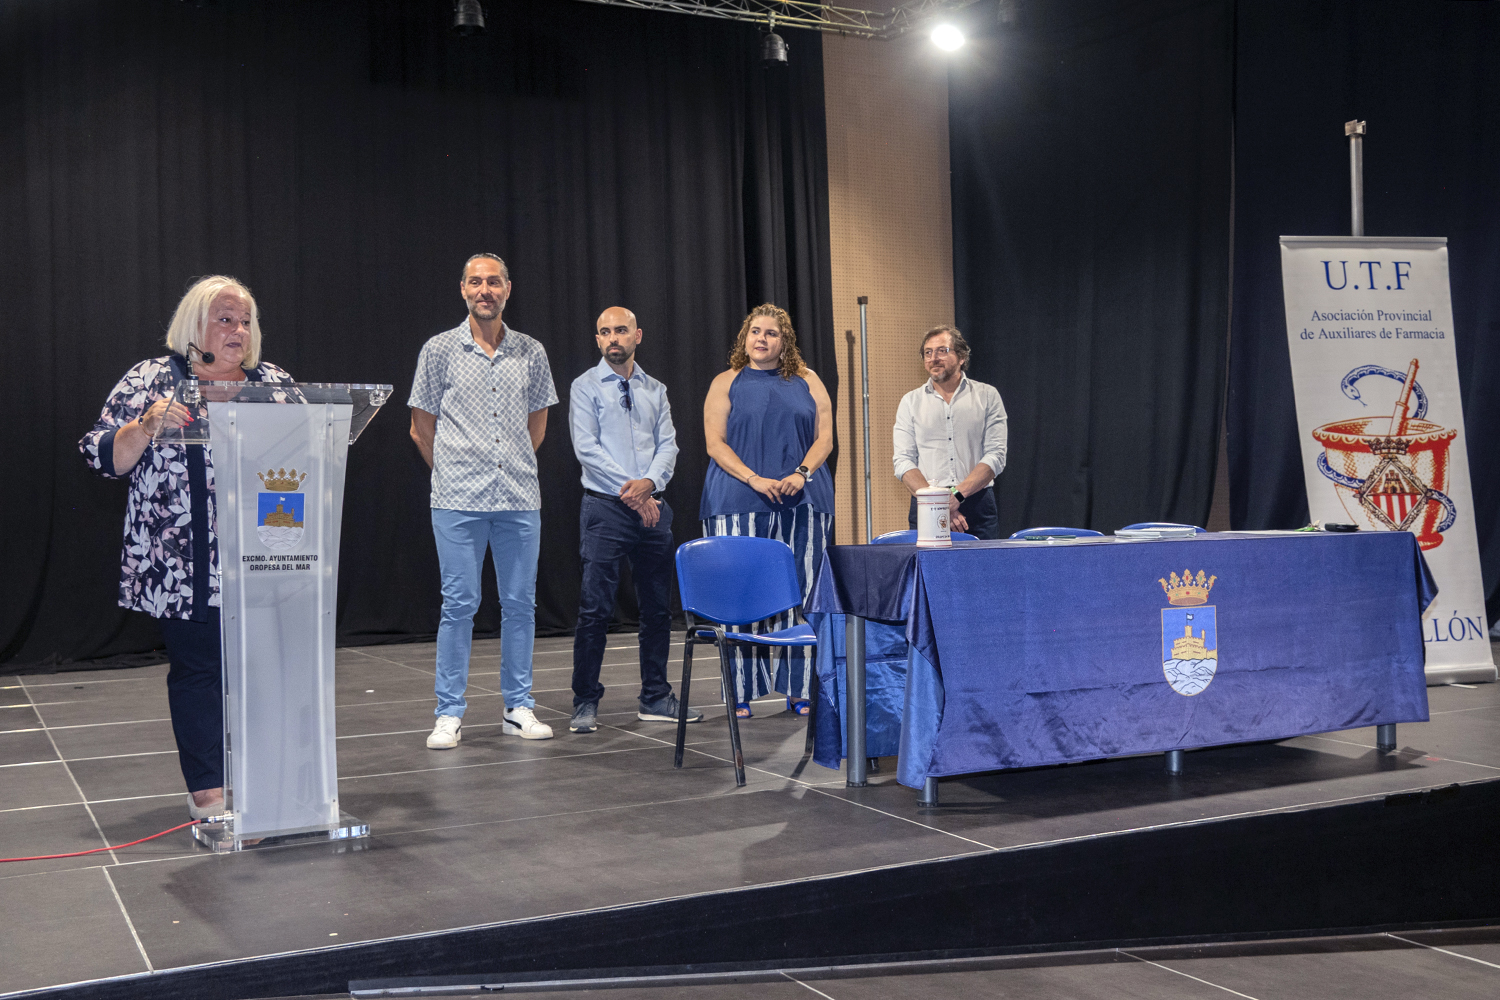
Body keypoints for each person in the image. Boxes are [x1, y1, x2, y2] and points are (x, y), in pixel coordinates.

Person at [80, 275, 295, 820]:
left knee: (265, 674)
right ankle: (209, 793)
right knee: (199, 672)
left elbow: (311, 453)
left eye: (245, 321)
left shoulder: (274, 383)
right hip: (183, 563)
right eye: (225, 319)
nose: (238, 331)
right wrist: (146, 424)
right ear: (194, 325)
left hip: (265, 556)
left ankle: (267, 781)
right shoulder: (152, 379)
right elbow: (104, 455)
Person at [409, 253, 559, 749]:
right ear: (463, 289)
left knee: (520, 604)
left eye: (493, 282)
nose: (485, 290)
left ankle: (518, 708)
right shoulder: (438, 350)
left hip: (518, 495)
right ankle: (448, 713)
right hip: (456, 499)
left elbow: (537, 424)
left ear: (508, 289)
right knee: (459, 604)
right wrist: (454, 471)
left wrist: (507, 463)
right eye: (476, 282)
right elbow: (420, 427)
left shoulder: (532, 352)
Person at [566, 307, 702, 735]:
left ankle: (656, 697)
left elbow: (670, 446)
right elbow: (587, 449)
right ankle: (585, 700)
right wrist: (634, 489)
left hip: (653, 509)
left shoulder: (655, 389)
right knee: (594, 610)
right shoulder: (584, 387)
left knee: (658, 609)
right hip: (606, 509)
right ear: (597, 338)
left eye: (620, 330)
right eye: (604, 331)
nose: (613, 338)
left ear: (637, 335)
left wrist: (651, 483)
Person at [700, 303, 834, 718]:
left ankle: (801, 690)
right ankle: (740, 691)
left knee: (804, 593)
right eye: (754, 331)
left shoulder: (809, 380)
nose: (761, 338)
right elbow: (715, 444)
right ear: (745, 337)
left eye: (771, 333)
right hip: (737, 499)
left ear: (784, 341)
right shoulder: (726, 381)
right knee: (740, 595)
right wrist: (754, 479)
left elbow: (825, 438)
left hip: (805, 499)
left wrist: (801, 472)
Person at [892, 325, 1008, 540]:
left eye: (942, 351)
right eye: (928, 352)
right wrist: (938, 503)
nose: (934, 358)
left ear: (962, 357)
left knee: (982, 572)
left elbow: (996, 456)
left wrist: (957, 495)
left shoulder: (987, 396)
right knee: (930, 572)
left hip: (977, 503)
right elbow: (903, 461)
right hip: (926, 502)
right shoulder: (910, 402)